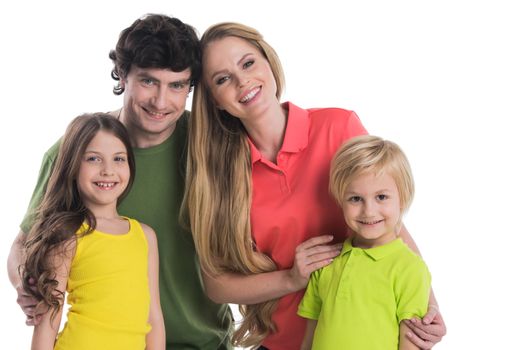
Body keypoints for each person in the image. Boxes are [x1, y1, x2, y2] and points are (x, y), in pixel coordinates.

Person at [184, 22, 446, 350]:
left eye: (248, 63)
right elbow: (218, 285)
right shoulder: (219, 176)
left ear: (268, 61)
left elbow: (389, 224)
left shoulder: (338, 128)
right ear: (215, 100)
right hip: (281, 342)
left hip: (367, 338)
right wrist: (291, 278)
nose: (243, 81)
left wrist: (427, 308)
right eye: (223, 79)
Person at [7, 14, 233, 350]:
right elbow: (24, 245)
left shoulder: (209, 143)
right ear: (122, 74)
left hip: (205, 341)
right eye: (148, 81)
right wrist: (30, 287)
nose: (161, 101)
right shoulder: (75, 153)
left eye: (177, 86)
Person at [22, 113, 164, 349]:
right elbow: (48, 319)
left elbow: (154, 317)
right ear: (73, 165)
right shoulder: (68, 234)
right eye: (93, 159)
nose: (108, 170)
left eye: (119, 159)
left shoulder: (146, 236)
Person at [298, 135, 431, 350]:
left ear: (403, 199)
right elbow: (308, 341)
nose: (368, 211)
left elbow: (411, 344)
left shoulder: (410, 268)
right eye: (355, 199)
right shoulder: (325, 263)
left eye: (381, 197)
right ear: (341, 201)